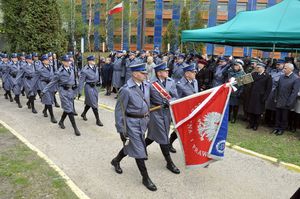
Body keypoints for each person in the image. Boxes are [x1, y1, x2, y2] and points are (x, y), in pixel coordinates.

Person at [111, 63, 157, 191]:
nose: (145, 75)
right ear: (135, 74)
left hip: (143, 123)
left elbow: (150, 100)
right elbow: (119, 111)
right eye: (143, 73)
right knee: (139, 151)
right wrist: (121, 129)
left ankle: (116, 160)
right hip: (132, 124)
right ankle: (145, 178)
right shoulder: (126, 90)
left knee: (132, 146)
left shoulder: (146, 85)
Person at [145, 62, 180, 174]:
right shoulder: (150, 84)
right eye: (165, 71)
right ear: (159, 73)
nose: (167, 72)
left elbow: (175, 96)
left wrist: (170, 102)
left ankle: (140, 148)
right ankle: (169, 163)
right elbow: (146, 100)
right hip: (155, 112)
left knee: (152, 136)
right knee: (163, 137)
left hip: (167, 113)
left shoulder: (171, 81)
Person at [42, 55, 81, 136]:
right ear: (63, 62)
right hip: (63, 92)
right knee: (70, 110)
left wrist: (76, 87)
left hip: (70, 91)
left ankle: (61, 121)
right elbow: (52, 82)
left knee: (68, 108)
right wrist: (44, 90)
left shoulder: (72, 69)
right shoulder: (59, 72)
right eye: (66, 61)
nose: (68, 62)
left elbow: (76, 80)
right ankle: (75, 128)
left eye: (69, 61)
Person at [169, 64, 198, 153]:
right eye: (193, 72)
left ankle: (190, 148)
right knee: (180, 129)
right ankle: (169, 143)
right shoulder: (179, 84)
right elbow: (176, 99)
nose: (195, 74)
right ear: (187, 74)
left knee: (191, 130)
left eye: (195, 72)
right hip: (184, 111)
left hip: (193, 110)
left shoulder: (195, 81)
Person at [272, 63, 299, 135]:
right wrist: (275, 98)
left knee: (284, 117)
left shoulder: (296, 78)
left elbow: (294, 93)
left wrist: (289, 103)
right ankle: (276, 128)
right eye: (284, 68)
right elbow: (277, 88)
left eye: (285, 68)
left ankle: (281, 129)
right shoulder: (281, 77)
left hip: (287, 101)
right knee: (277, 115)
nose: (284, 69)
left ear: (291, 69)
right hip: (279, 100)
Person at [78, 55, 104, 127]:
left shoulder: (96, 68)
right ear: (89, 61)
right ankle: (98, 120)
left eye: (94, 60)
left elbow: (99, 76)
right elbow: (81, 81)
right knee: (94, 103)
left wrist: (100, 82)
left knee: (90, 102)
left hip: (95, 87)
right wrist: (79, 91)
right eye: (92, 60)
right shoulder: (84, 70)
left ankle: (83, 113)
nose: (94, 61)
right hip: (89, 87)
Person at [246, 62, 272, 131]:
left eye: (258, 67)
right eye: (256, 67)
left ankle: (256, 124)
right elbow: (244, 80)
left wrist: (265, 98)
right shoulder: (254, 74)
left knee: (258, 112)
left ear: (263, 68)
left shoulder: (267, 76)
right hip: (252, 95)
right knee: (251, 110)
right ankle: (250, 123)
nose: (257, 68)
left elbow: (268, 89)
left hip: (260, 97)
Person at [35, 54, 57, 123]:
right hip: (44, 85)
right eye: (47, 60)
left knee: (50, 100)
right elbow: (35, 78)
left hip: (51, 85)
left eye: (49, 59)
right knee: (48, 100)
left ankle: (45, 110)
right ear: (43, 61)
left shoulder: (51, 67)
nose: (49, 61)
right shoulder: (40, 69)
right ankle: (52, 116)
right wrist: (32, 87)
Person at [228, 59, 246, 123]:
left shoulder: (243, 74)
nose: (235, 67)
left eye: (236, 65)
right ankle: (228, 117)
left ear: (240, 66)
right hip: (230, 91)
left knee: (235, 106)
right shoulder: (230, 72)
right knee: (229, 105)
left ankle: (234, 118)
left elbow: (243, 85)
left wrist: (240, 92)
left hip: (237, 91)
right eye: (234, 65)